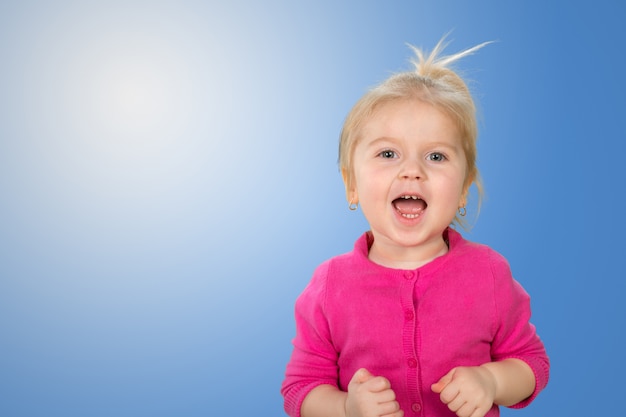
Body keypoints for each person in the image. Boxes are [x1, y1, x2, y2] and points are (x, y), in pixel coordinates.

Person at [281, 37, 549, 417]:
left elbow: (531, 363)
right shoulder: (329, 286)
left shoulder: (489, 273)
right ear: (351, 184)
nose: (412, 170)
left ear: (463, 190)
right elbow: (300, 389)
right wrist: (346, 408)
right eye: (387, 153)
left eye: (436, 156)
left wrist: (492, 381)